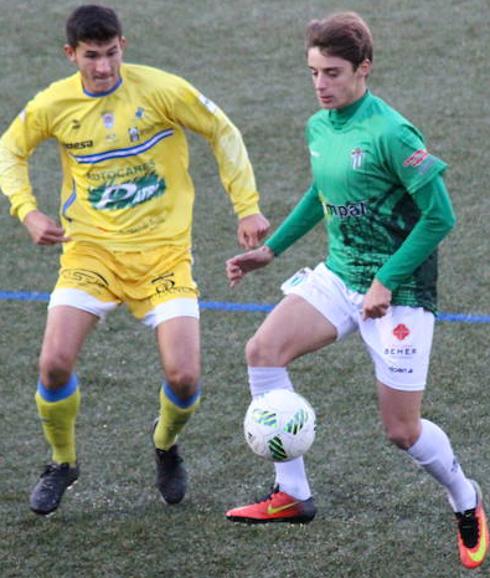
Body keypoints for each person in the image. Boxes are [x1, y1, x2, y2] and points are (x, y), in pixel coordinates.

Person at [224, 11, 488, 570]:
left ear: (364, 68)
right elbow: (321, 192)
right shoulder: (320, 126)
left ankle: (466, 499)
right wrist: (272, 251)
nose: (321, 84)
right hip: (341, 275)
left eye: (334, 72)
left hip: (402, 290)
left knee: (401, 430)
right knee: (262, 352)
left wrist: (387, 280)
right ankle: (292, 494)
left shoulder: (392, 132)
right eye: (313, 72)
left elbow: (441, 217)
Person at [0, 4, 269, 516]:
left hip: (164, 257)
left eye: (111, 53)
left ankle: (165, 445)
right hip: (91, 253)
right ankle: (62, 462)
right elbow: (9, 150)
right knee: (53, 364)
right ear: (71, 54)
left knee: (185, 376)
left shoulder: (160, 90)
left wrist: (247, 207)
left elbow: (222, 130)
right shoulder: (53, 104)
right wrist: (28, 212)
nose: (103, 67)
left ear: (124, 44)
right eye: (91, 57)